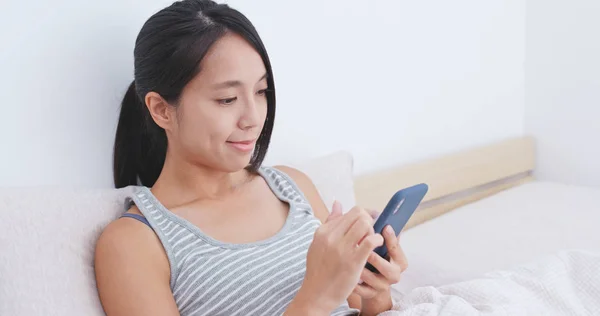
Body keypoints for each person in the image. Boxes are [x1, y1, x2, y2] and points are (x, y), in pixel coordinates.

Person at [94, 1, 408, 315]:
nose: (253, 118)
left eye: (261, 91)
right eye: (227, 99)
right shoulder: (134, 243)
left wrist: (375, 292)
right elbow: (321, 300)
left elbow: (359, 308)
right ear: (162, 109)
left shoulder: (292, 187)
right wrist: (316, 297)